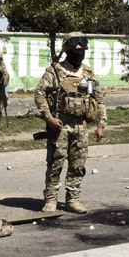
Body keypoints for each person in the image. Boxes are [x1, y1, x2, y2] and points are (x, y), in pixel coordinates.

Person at [34, 32, 106, 214]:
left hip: (81, 126)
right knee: (55, 164)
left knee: (77, 165)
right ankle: (51, 199)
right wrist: (49, 118)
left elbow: (99, 99)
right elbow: (39, 95)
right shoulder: (55, 71)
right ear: (67, 51)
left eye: (81, 52)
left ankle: (72, 199)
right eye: (75, 51)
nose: (78, 54)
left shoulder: (88, 74)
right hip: (60, 125)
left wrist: (101, 125)